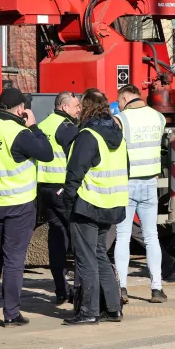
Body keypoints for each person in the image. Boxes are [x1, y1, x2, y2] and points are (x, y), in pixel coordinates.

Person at [0, 88, 54, 327]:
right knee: (14, 259)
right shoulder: (19, 133)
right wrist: (34, 126)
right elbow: (46, 153)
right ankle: (10, 314)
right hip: (18, 204)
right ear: (20, 109)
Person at [62, 88, 128, 325]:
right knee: (100, 255)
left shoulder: (88, 135)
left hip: (89, 204)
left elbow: (74, 174)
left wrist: (67, 202)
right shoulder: (117, 135)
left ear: (87, 108)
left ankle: (89, 312)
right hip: (112, 204)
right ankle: (113, 308)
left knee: (87, 258)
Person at [113, 85, 168, 304]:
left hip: (127, 183)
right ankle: (156, 288)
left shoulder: (121, 119)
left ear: (126, 97)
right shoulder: (159, 117)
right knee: (151, 236)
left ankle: (122, 287)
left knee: (123, 235)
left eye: (119, 101)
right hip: (150, 183)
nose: (119, 105)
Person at [37, 91, 81, 305]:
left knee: (56, 239)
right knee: (77, 239)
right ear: (64, 107)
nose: (79, 109)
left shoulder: (44, 124)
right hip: (62, 189)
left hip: (44, 189)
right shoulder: (67, 128)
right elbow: (78, 159)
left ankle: (60, 289)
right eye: (76, 106)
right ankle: (79, 291)